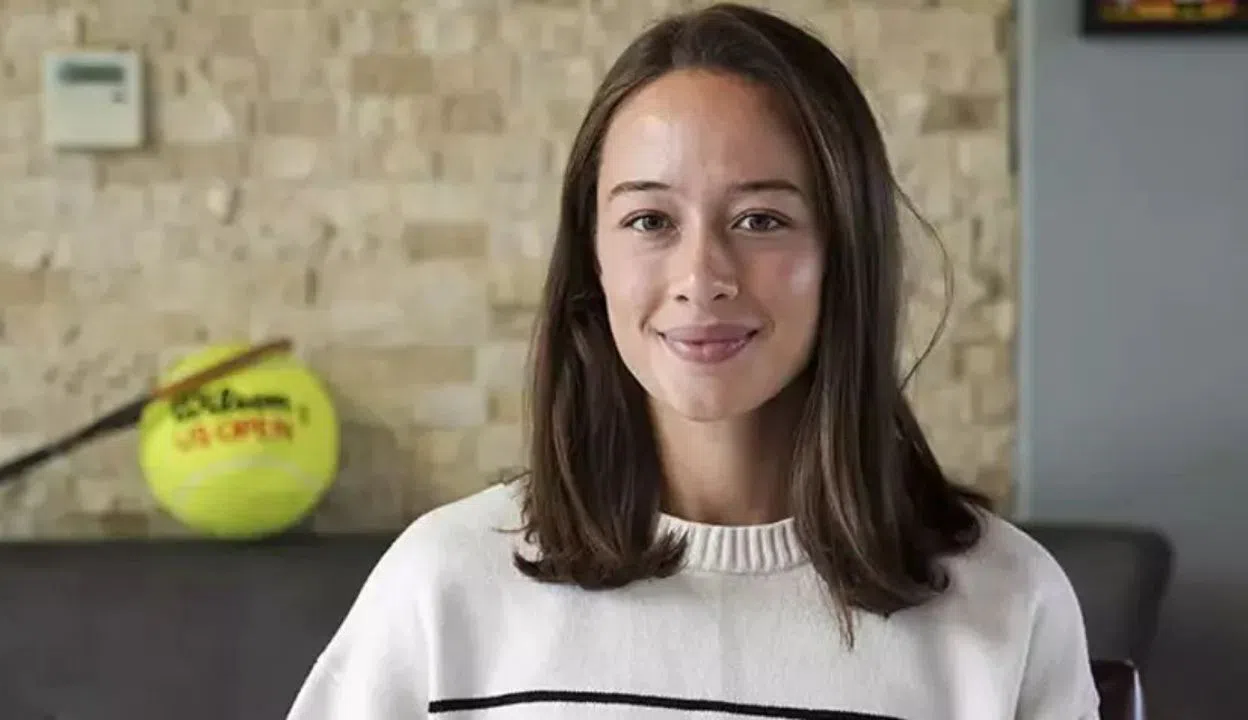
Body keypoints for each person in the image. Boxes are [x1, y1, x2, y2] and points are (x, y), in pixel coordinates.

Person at [285, 4, 1100, 719]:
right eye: (650, 220)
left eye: (760, 220)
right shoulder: (441, 586)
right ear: (593, 260)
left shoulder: (1008, 602)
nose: (702, 278)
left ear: (846, 254)